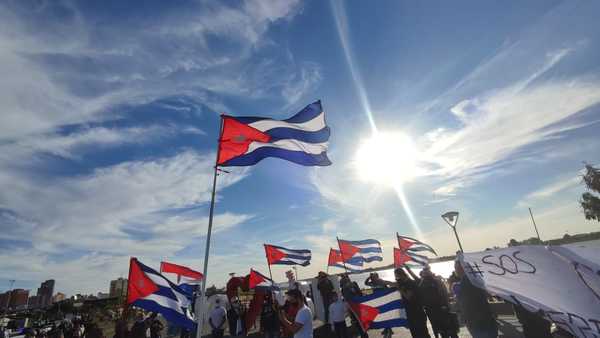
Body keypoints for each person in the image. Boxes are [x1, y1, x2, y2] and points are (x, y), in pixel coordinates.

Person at [411, 266, 458, 338]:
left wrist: (446, 305)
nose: (425, 272)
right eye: (425, 271)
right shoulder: (422, 283)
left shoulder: (435, 281)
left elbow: (443, 293)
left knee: (450, 330)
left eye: (427, 271)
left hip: (441, 309)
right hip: (433, 310)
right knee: (443, 331)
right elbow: (413, 276)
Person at [454, 260, 497, 338]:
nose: (455, 270)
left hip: (476, 322)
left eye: (456, 268)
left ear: (460, 269)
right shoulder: (476, 279)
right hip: (487, 318)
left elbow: (464, 304)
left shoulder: (464, 283)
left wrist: (463, 318)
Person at [394, 267, 431, 338]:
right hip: (410, 314)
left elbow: (408, 297)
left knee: (423, 334)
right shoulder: (402, 283)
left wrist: (400, 290)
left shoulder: (410, 283)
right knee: (415, 334)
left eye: (396, 275)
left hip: (417, 313)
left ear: (401, 274)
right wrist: (380, 281)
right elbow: (391, 283)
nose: (396, 277)